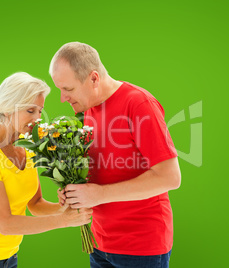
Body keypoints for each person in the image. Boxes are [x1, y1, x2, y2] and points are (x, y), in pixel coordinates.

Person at [50, 42, 181, 268]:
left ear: (93, 79)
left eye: (68, 89)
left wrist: (99, 195)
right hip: (100, 244)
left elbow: (170, 177)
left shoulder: (138, 104)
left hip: (141, 249)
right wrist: (73, 192)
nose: (63, 98)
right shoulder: (88, 108)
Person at [0, 72, 92, 268]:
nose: (38, 119)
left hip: (10, 256)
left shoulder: (27, 146)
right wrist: (63, 220)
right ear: (8, 109)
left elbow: (35, 204)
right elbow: (5, 224)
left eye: (40, 111)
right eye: (30, 110)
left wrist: (66, 207)